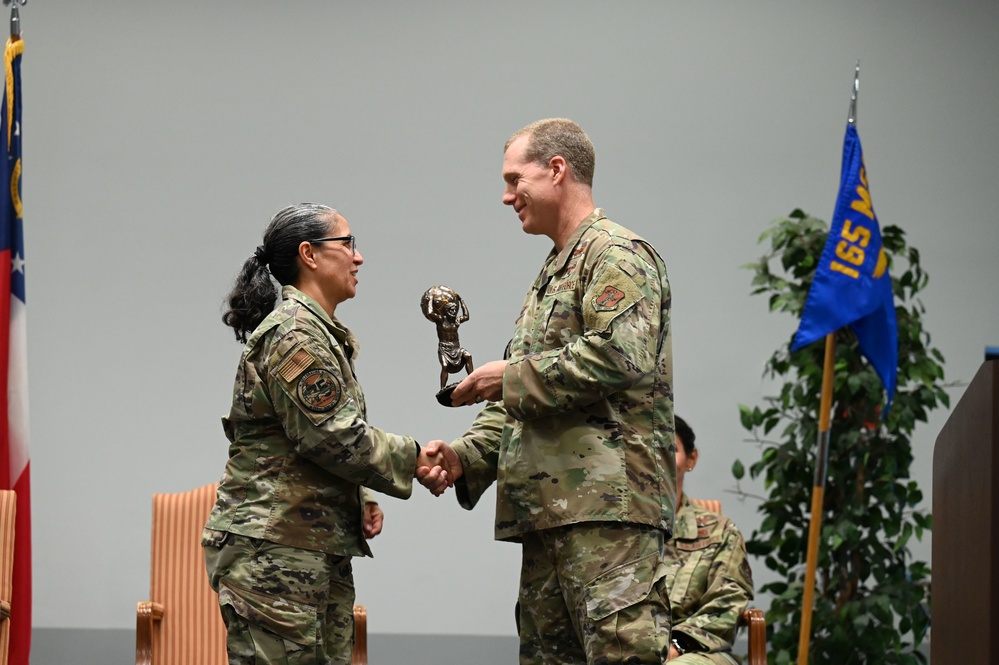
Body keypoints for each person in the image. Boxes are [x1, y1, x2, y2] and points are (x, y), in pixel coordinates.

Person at [440, 118, 677, 664]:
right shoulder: (554, 273)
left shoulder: (616, 255)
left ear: (556, 170)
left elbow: (622, 354)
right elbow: (526, 405)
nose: (506, 197)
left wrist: (511, 376)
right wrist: (463, 457)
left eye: (513, 179)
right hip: (549, 516)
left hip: (608, 515)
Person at [202, 203, 459, 665]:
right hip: (275, 550)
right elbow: (335, 438)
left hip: (306, 544)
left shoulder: (317, 332)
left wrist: (358, 496)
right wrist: (419, 458)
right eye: (348, 244)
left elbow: (309, 441)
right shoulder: (294, 334)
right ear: (310, 255)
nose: (358, 258)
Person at [664, 416, 754, 663]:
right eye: (648, 449)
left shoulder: (720, 532)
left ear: (690, 459)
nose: (657, 458)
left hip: (695, 651)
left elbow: (727, 602)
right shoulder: (609, 534)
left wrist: (677, 646)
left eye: (669, 449)